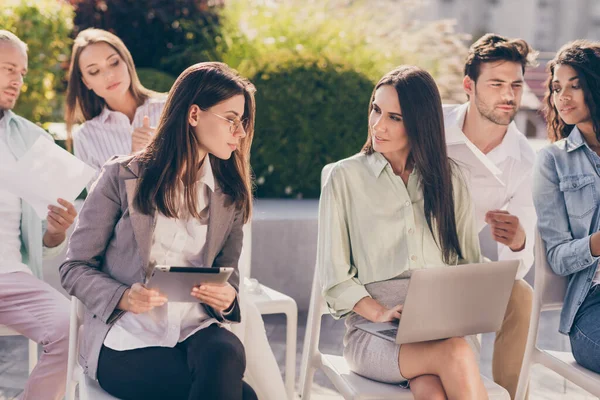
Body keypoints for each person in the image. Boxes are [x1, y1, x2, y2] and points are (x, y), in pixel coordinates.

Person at [64, 28, 287, 399]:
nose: (241, 132)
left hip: (194, 330)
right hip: (126, 339)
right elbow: (73, 267)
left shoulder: (228, 195)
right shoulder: (122, 175)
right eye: (231, 118)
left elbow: (228, 279)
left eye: (244, 121)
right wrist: (123, 295)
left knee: (227, 351)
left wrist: (227, 299)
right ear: (194, 114)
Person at [318, 65, 487, 399]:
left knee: (433, 393)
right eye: (376, 110)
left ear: (420, 123)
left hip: (442, 328)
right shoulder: (344, 178)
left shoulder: (452, 180)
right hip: (375, 332)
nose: (378, 125)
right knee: (453, 353)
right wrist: (379, 311)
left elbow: (469, 266)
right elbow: (335, 279)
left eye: (394, 117)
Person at [443, 33, 538, 399]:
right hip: (409, 258)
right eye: (496, 84)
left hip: (463, 262)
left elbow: (518, 259)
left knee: (520, 296)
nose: (508, 95)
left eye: (515, 84)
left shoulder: (524, 158)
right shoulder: (431, 127)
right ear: (469, 85)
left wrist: (517, 240)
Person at [0, 30, 77, 400]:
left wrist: (56, 233)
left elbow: (45, 244)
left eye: (22, 72)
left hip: (11, 279)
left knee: (70, 327)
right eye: (7, 68)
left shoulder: (32, 140)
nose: (17, 80)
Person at [533, 40, 600, 375]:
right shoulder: (552, 161)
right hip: (592, 304)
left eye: (576, 85)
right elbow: (557, 257)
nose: (564, 97)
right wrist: (596, 243)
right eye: (558, 88)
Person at [65, 28, 165, 187]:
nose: (108, 75)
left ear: (126, 61)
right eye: (94, 71)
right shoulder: (85, 136)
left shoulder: (169, 108)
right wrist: (133, 160)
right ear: (86, 82)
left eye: (114, 62)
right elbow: (101, 208)